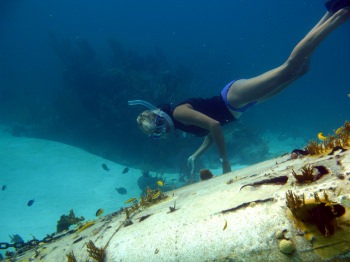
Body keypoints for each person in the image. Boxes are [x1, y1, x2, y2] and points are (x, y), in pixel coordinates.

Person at [129, 2, 350, 175]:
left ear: (159, 115)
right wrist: (196, 155)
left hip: (231, 99)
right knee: (296, 71)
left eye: (157, 125)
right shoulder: (179, 123)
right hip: (239, 107)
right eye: (156, 134)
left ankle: (340, 15)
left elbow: (214, 125)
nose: (161, 131)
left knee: (288, 67)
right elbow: (209, 134)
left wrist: (225, 161)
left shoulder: (178, 112)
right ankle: (331, 12)